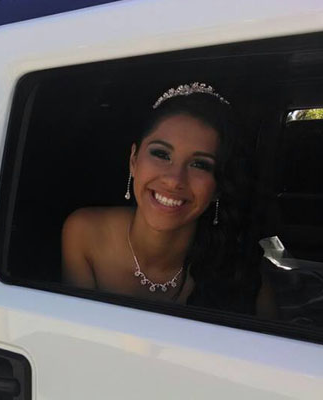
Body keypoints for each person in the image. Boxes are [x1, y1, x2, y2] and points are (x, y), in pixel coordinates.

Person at [61, 82, 275, 317]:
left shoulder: (241, 274)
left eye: (199, 165)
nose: (174, 180)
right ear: (133, 160)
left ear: (218, 187)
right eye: (161, 154)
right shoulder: (84, 233)